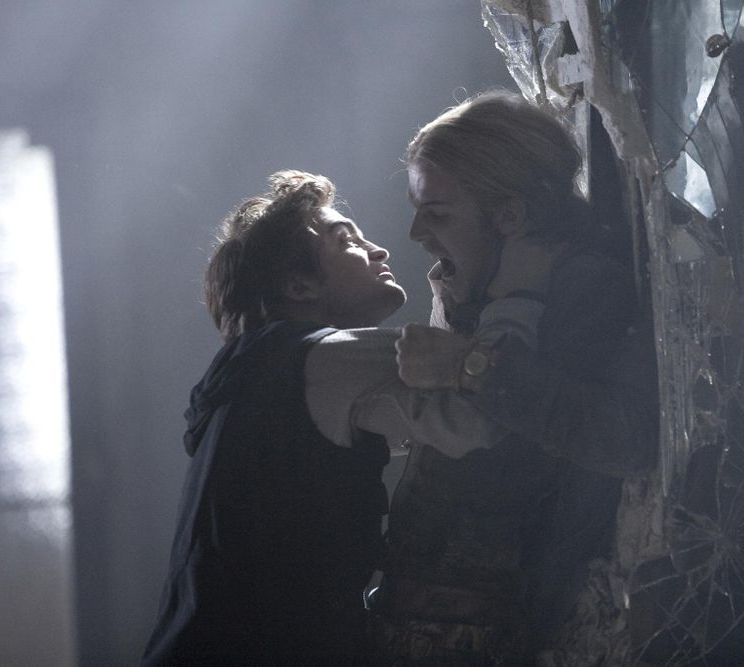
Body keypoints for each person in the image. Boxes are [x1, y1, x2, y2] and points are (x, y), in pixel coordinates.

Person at [141, 170, 546, 665]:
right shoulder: (326, 357)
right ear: (299, 285)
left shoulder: (245, 380)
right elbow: (477, 420)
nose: (380, 250)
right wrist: (520, 293)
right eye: (347, 241)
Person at [372, 91, 660, 663]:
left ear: (509, 216)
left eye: (438, 213)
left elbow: (624, 439)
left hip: (515, 628)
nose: (415, 234)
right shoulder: (484, 288)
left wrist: (468, 364)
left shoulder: (584, 285)